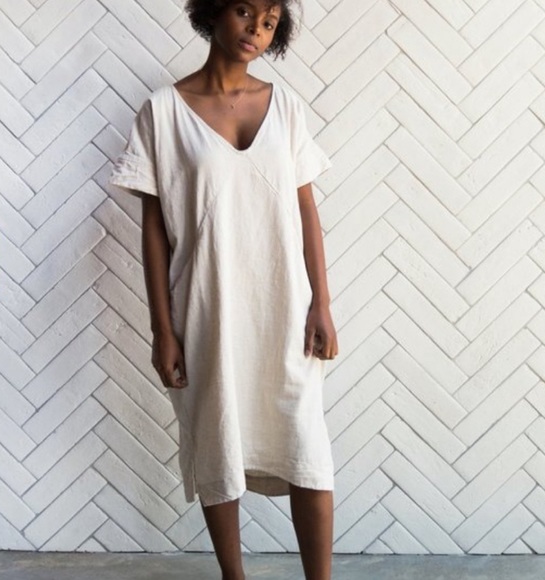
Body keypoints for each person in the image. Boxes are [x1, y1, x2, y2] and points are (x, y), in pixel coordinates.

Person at [109, 1, 338, 578]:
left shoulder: (286, 107)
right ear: (213, 12)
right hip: (206, 307)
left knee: (307, 448)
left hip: (284, 309)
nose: (256, 29)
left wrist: (322, 303)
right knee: (218, 440)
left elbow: (306, 211)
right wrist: (163, 330)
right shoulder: (162, 112)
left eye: (269, 21)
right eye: (244, 11)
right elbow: (154, 228)